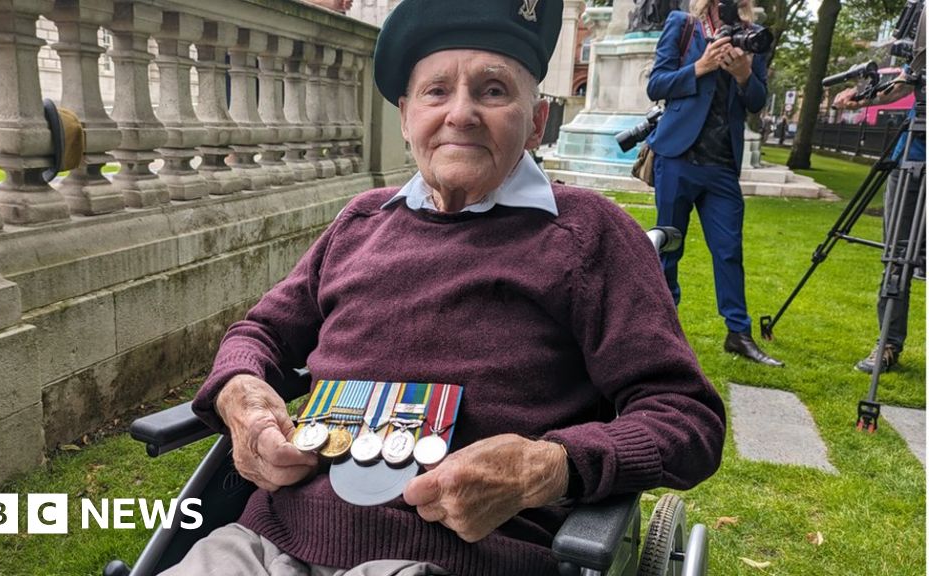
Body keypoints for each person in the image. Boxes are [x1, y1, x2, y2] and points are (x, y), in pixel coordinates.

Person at [165, 1, 726, 574]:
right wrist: (240, 395)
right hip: (270, 541)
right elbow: (259, 332)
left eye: (492, 91)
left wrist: (549, 465)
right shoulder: (360, 222)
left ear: (536, 121)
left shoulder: (588, 234)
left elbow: (686, 417)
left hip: (457, 557)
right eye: (436, 92)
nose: (460, 114)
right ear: (407, 117)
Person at [645, 0, 783, 366]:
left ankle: (738, 334)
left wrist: (742, 75)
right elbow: (657, 84)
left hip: (722, 164)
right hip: (678, 157)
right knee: (668, 248)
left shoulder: (753, 39)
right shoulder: (683, 25)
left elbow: (756, 100)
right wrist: (701, 66)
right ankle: (663, 331)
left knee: (728, 251)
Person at [833, 66, 925, 373]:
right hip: (910, 157)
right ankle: (888, 343)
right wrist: (860, 99)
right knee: (896, 258)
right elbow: (903, 83)